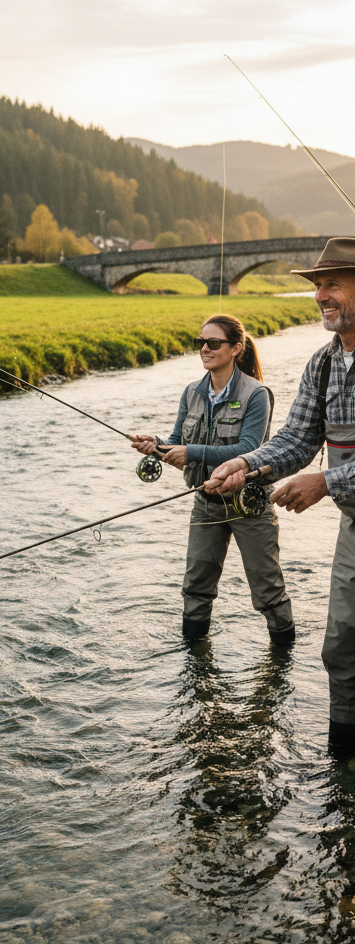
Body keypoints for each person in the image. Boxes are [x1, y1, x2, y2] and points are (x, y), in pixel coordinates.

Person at [204, 237, 355, 759]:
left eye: (332, 284)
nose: (320, 296)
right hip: (354, 526)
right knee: (341, 648)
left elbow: (322, 473)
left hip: (344, 503)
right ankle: (343, 763)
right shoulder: (323, 363)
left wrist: (327, 482)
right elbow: (297, 438)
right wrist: (246, 466)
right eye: (317, 286)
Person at [131, 314, 295, 644]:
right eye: (200, 342)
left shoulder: (257, 394)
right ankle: (194, 659)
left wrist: (190, 452)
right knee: (195, 588)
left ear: (235, 348)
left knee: (268, 591)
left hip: (249, 505)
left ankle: (282, 658)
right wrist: (156, 446)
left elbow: (248, 449)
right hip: (205, 505)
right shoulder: (191, 392)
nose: (204, 348)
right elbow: (177, 442)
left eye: (213, 342)